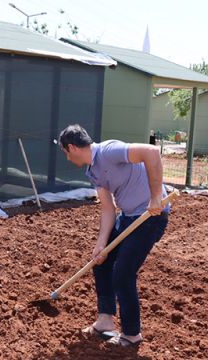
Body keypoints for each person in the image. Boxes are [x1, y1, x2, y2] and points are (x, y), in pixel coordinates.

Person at [58, 124, 169, 347]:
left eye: (65, 153)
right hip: (128, 217)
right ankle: (105, 321)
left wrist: (156, 196)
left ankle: (131, 334)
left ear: (72, 147)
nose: (67, 158)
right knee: (101, 261)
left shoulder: (108, 151)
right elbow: (108, 209)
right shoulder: (92, 171)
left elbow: (151, 152)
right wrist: (100, 245)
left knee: (123, 273)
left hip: (150, 217)